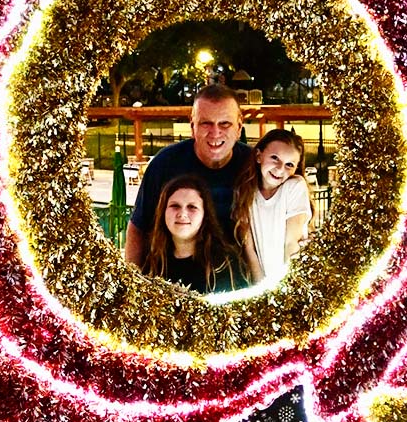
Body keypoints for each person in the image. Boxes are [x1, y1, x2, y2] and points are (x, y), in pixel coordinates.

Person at [125, 85, 251, 268]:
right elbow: (138, 227)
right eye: (205, 123)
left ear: (239, 127)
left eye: (225, 123)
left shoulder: (255, 166)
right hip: (172, 281)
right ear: (192, 126)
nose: (215, 133)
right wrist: (132, 282)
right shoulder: (165, 164)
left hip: (237, 282)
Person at [232, 129, 313, 286]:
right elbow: (249, 247)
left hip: (291, 280)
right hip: (260, 281)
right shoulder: (245, 191)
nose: (280, 169)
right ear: (259, 156)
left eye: (289, 164)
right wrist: (262, 287)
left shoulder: (294, 187)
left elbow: (292, 243)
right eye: (275, 158)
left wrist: (286, 287)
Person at [144, 175, 244, 293]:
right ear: (163, 212)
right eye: (175, 206)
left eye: (192, 207)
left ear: (205, 215)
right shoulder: (154, 263)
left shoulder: (224, 264)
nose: (182, 214)